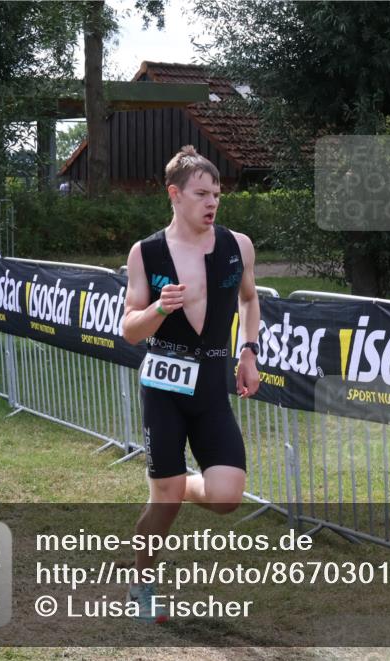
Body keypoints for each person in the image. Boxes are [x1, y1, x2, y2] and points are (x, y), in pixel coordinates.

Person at [121, 145, 261, 620]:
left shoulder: (237, 245)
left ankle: (180, 483)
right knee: (164, 502)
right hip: (163, 388)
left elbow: (249, 300)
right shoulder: (147, 252)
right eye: (202, 193)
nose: (212, 202)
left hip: (211, 386)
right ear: (175, 195)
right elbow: (130, 329)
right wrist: (160, 308)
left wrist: (248, 350)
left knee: (226, 497)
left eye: (217, 193)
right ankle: (142, 583)